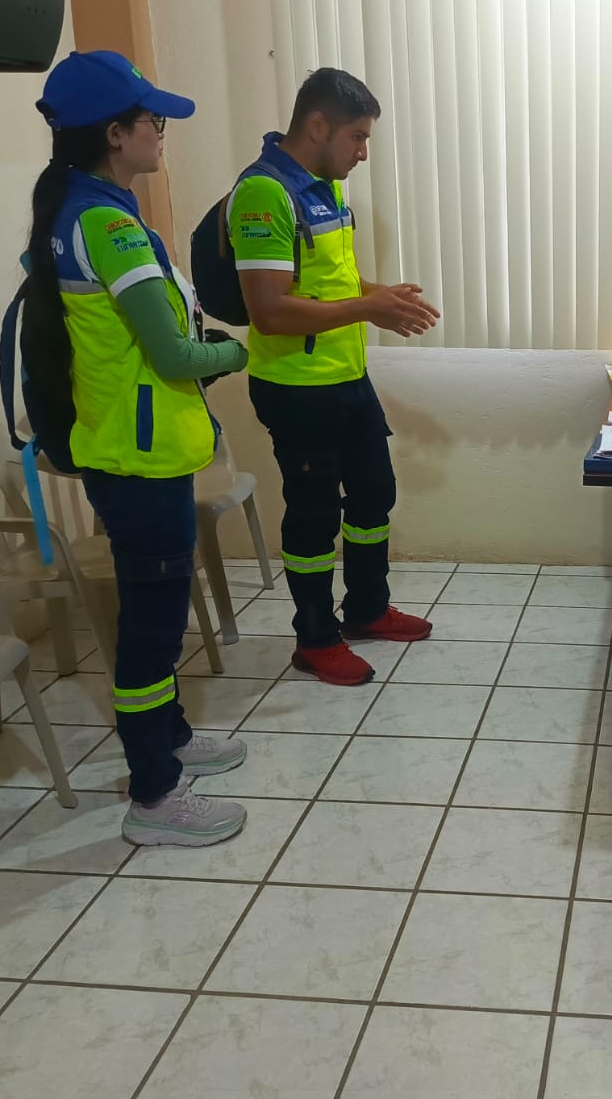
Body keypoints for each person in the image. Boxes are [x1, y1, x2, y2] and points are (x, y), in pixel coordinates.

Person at [25, 49, 251, 845]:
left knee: (155, 619)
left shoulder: (76, 212)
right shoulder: (108, 225)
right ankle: (154, 798)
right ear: (115, 134)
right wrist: (237, 352)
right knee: (151, 634)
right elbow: (175, 355)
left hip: (127, 452)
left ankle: (172, 741)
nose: (162, 133)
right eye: (153, 121)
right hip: (138, 461)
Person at [230, 68, 441, 685]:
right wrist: (368, 308)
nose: (363, 152)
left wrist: (382, 297)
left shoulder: (324, 189)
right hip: (296, 388)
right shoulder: (264, 193)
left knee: (375, 494)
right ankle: (315, 639)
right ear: (318, 125)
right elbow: (270, 310)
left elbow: (333, 286)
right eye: (357, 136)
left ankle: (367, 609)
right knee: (313, 516)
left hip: (345, 376)